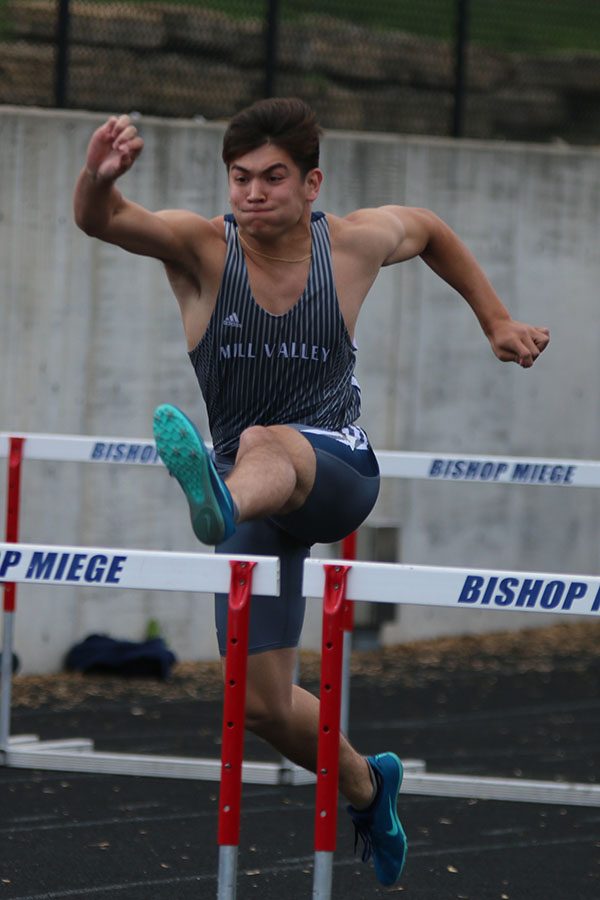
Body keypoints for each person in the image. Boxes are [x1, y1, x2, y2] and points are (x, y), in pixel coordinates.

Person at [73, 97, 549, 886]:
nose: (252, 194)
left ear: (311, 183)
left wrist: (495, 321)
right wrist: (97, 175)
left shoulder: (353, 245)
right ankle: (369, 783)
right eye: (240, 179)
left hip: (337, 470)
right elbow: (102, 220)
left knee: (265, 441)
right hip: (253, 495)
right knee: (259, 703)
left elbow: (427, 227)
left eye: (272, 178)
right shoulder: (201, 250)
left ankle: (222, 503)